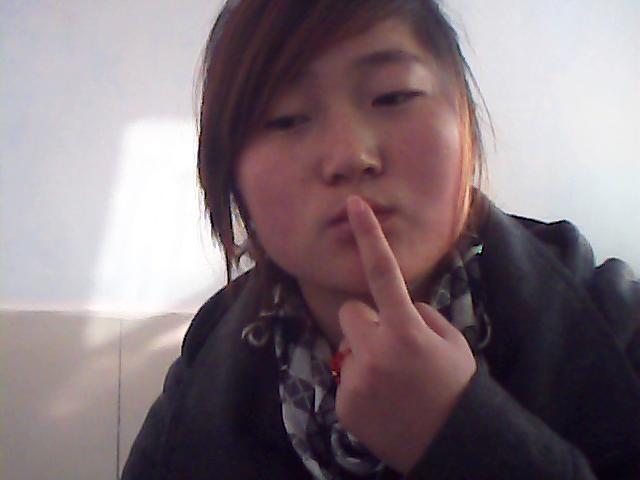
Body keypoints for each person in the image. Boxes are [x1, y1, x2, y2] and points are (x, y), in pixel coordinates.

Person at [122, 1, 640, 479]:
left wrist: (465, 437)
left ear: (463, 119)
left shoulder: (614, 325)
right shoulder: (204, 370)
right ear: (231, 178)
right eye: (284, 119)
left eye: (393, 96)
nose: (350, 155)